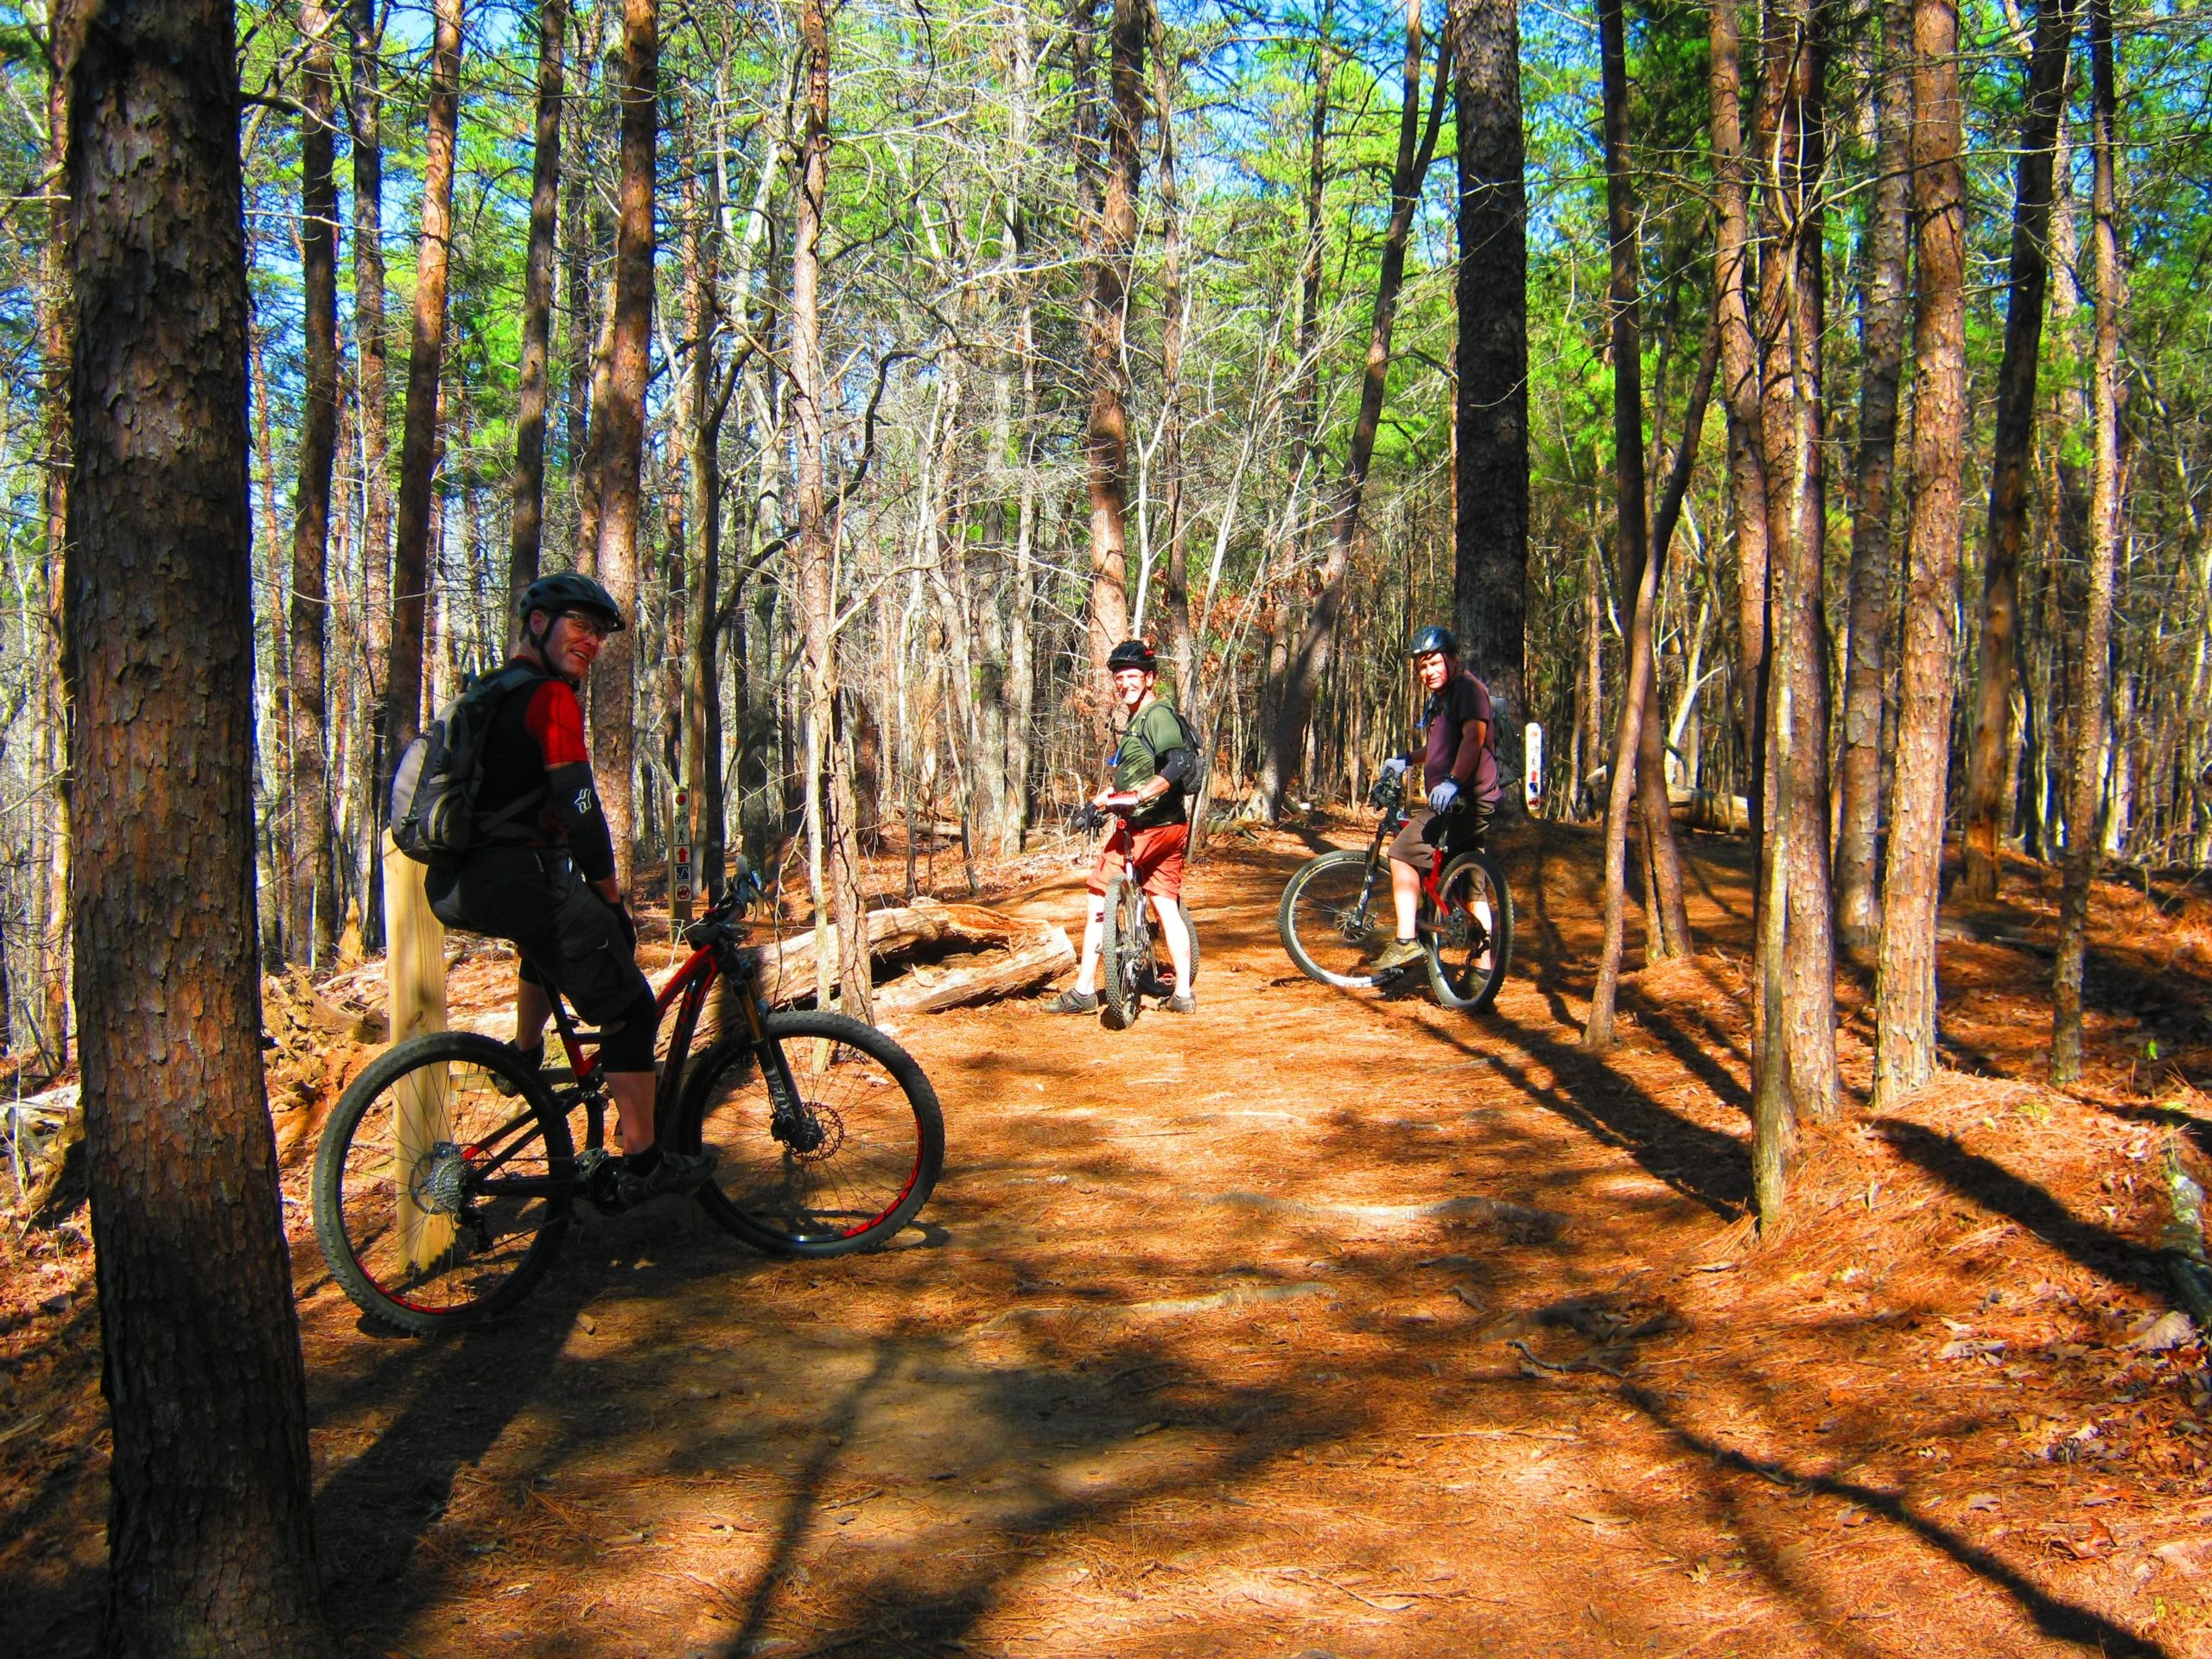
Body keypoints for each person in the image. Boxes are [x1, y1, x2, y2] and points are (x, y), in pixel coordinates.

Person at [425, 571, 715, 1205]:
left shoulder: (491, 691)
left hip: (467, 882)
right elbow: (581, 807)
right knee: (631, 1008)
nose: (592, 642)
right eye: (580, 626)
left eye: (600, 634)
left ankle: (523, 1059)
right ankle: (643, 1160)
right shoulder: (549, 698)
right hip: (519, 877)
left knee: (547, 943)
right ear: (538, 624)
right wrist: (612, 899)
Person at [1051, 639, 1200, 1015]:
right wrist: (1097, 803)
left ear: (1150, 678)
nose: (1124, 683)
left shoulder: (1157, 715)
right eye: (1119, 677)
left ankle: (1084, 990)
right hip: (1169, 826)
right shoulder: (1138, 719)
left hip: (1147, 829)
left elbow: (1179, 762)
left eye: (1132, 676)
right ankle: (1182, 995)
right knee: (1166, 905)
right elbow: (1131, 779)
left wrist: (1141, 796)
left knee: (1098, 897)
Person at [1370, 626, 1502, 974]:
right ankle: (1483, 974)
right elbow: (1440, 748)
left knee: (1400, 853)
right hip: (1465, 800)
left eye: (1433, 664)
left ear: (1453, 660)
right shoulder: (1445, 699)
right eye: (1422, 668)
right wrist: (1408, 759)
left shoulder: (1469, 691)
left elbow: (1474, 738)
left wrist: (1455, 782)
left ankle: (1405, 942)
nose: (1427, 672)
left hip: (1464, 800)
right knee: (1469, 887)